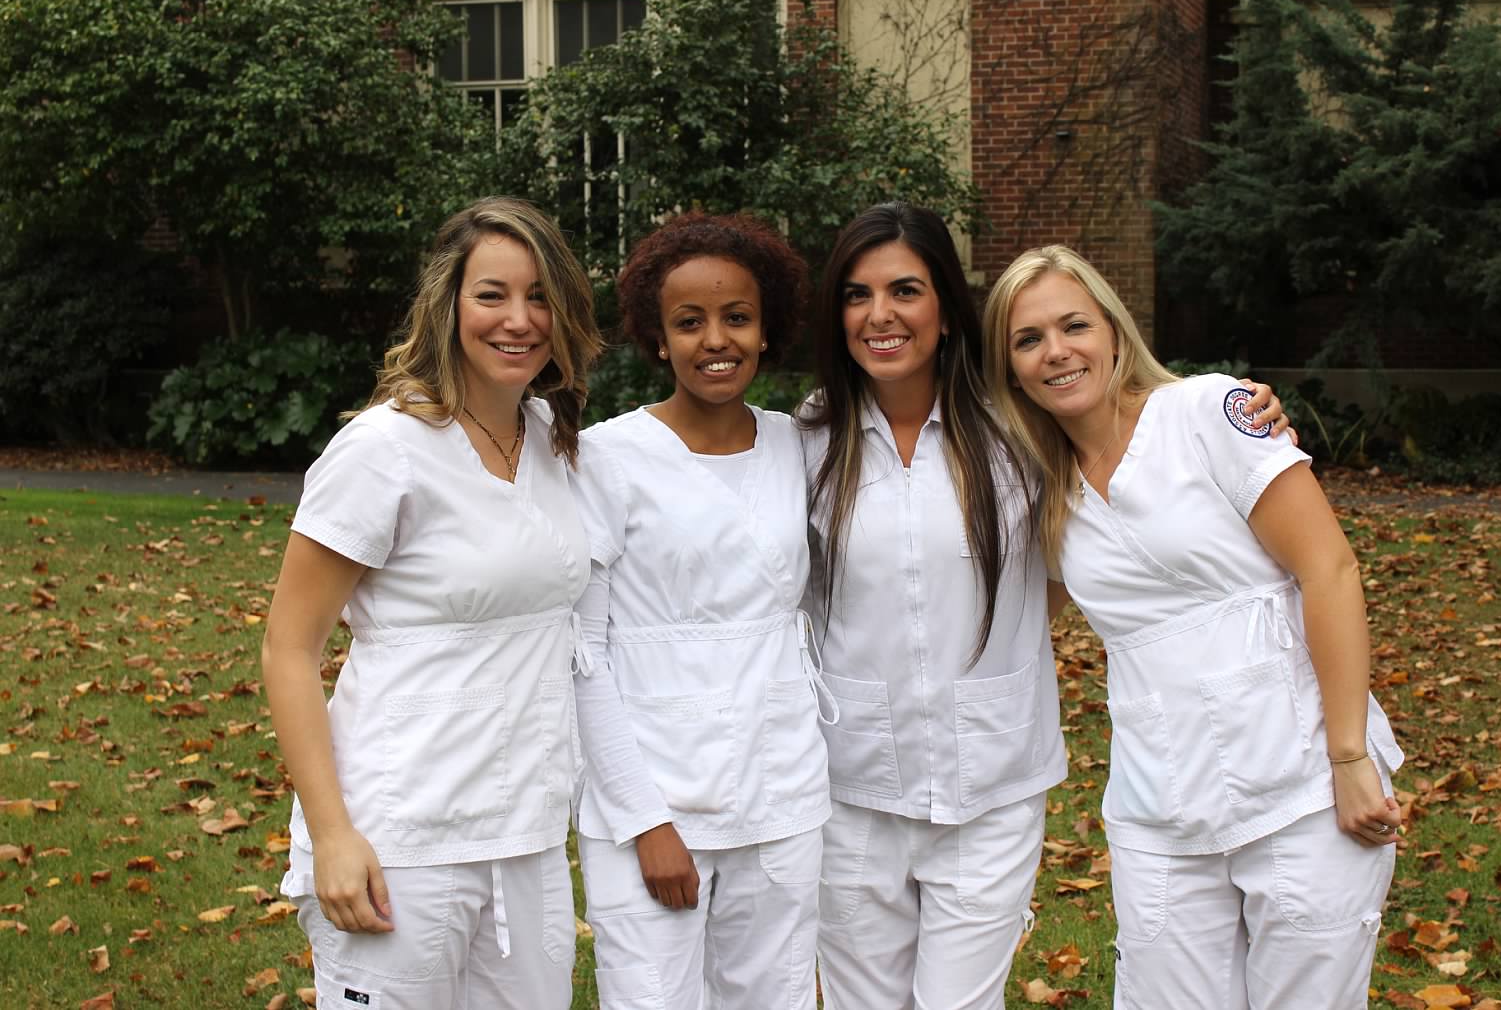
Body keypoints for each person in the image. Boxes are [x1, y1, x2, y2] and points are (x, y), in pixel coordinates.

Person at [795, 204, 1289, 1009]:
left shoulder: (1018, 432)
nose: (880, 314)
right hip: (851, 790)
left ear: (948, 309)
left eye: (905, 290)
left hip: (992, 780)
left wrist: (1247, 414)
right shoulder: (806, 441)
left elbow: (1112, 483)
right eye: (856, 294)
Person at [981, 244, 1404, 1009]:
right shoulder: (1038, 490)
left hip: (1302, 779)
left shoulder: (1208, 412)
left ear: (1113, 330)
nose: (1057, 352)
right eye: (1028, 340)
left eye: (1073, 325)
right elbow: (1003, 618)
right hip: (1161, 801)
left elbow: (1330, 571)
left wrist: (1348, 757)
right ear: (1010, 369)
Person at [261, 197, 603, 1010]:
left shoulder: (554, 437)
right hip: (401, 840)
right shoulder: (384, 450)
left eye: (539, 296)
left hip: (526, 843)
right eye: (491, 295)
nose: (518, 320)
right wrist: (335, 837)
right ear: (448, 305)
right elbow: (288, 648)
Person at [568, 212, 833, 1009]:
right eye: (690, 322)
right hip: (654, 802)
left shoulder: (802, 444)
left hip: (782, 793)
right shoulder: (608, 458)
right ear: (657, 337)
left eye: (736, 318)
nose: (715, 339)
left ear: (767, 329)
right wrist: (645, 822)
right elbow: (584, 652)